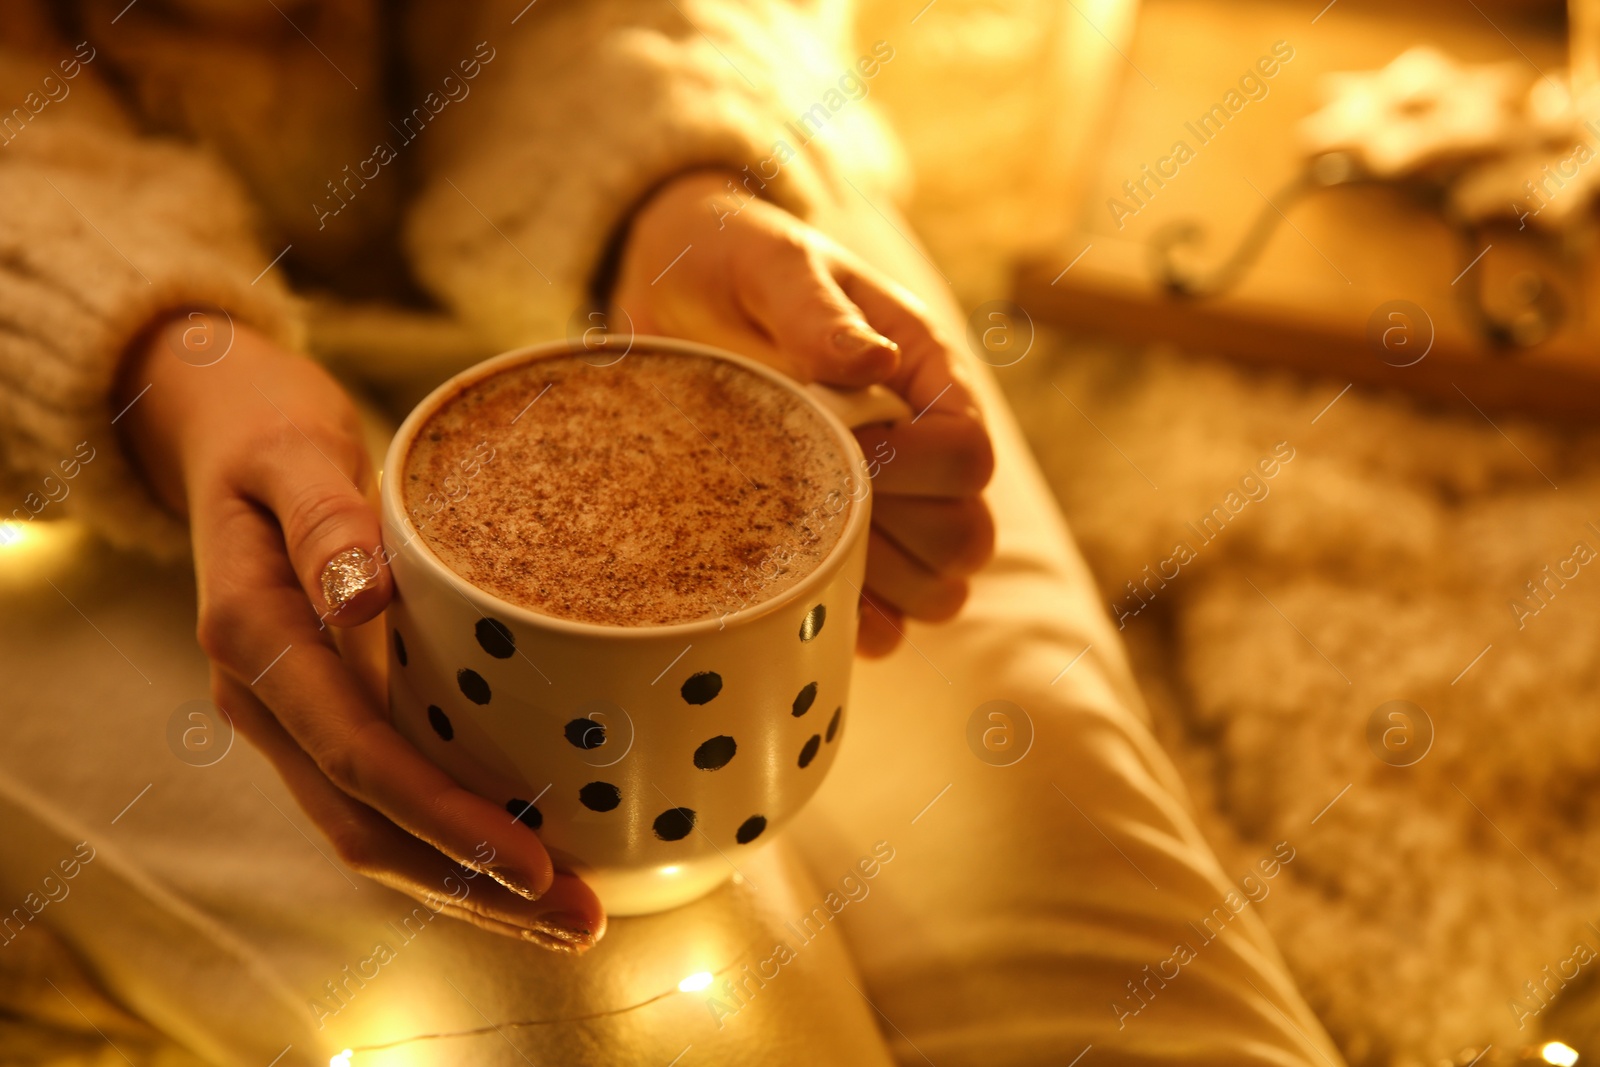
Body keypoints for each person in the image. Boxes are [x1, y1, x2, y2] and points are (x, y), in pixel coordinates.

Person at [0, 1, 1346, 1063]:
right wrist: (159, 368)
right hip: (74, 408)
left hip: (656, 189)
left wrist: (675, 185)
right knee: (651, 1025)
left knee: (1112, 943)